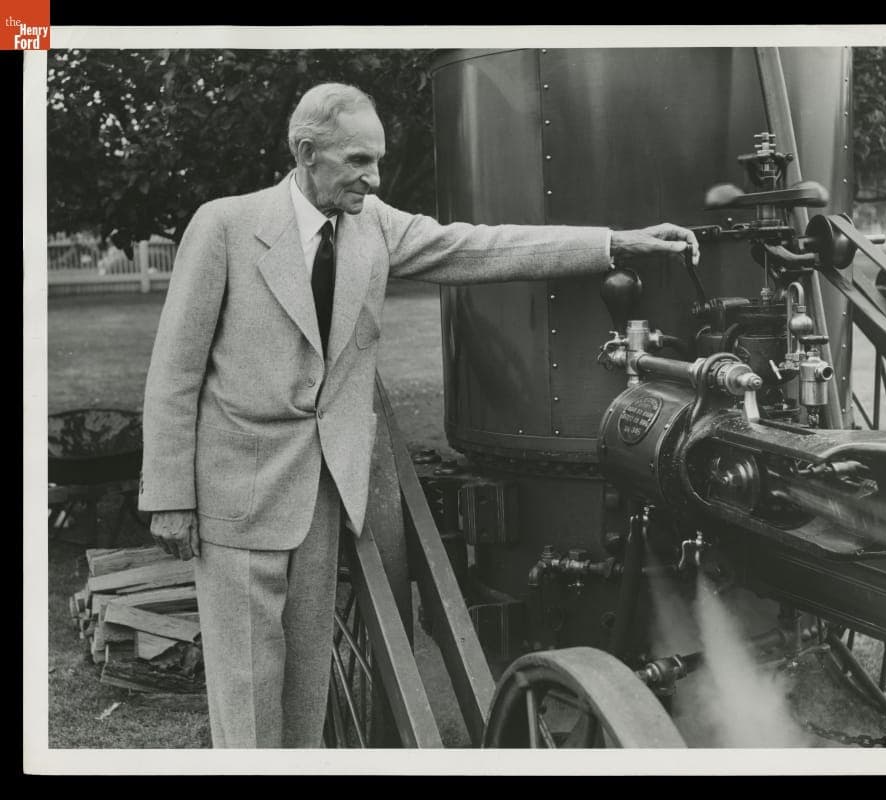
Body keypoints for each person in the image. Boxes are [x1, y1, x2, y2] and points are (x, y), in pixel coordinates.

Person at [139, 82, 699, 748]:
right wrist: (170, 496)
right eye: (358, 162)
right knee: (248, 693)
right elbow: (174, 371)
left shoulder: (372, 226)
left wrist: (615, 243)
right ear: (307, 153)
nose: (374, 179)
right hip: (236, 496)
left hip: (323, 498)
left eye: (378, 161)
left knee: (304, 694)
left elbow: (481, 247)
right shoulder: (224, 226)